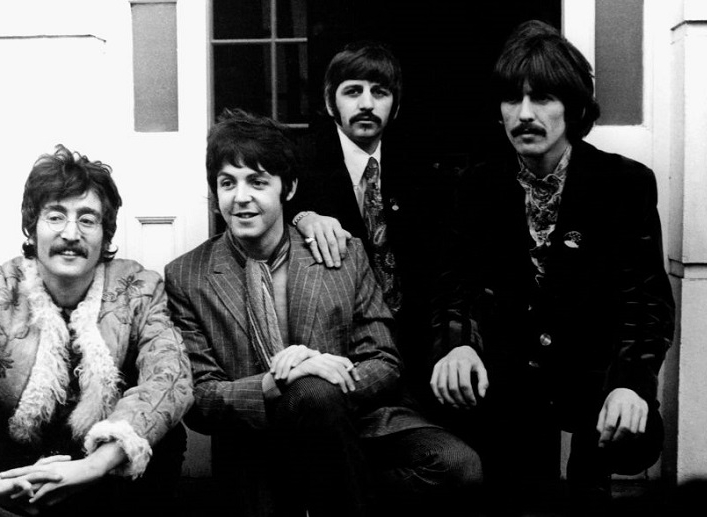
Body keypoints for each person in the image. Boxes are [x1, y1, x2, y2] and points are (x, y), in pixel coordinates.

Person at [165, 109, 482, 517]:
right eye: (228, 183)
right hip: (260, 442)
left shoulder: (341, 253)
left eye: (258, 182)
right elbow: (201, 398)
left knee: (458, 467)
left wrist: (324, 381)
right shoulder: (187, 276)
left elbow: (384, 361)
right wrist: (278, 382)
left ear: (289, 188)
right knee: (308, 393)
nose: (241, 197)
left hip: (358, 424)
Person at [429, 20, 675, 514]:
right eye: (512, 99)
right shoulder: (476, 186)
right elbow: (456, 285)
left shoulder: (622, 183)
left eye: (542, 97)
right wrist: (457, 344)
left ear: (574, 106)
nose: (524, 114)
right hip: (510, 380)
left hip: (591, 376)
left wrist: (631, 383)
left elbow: (646, 301)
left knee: (618, 452)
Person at [0, 144, 194, 517]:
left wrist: (92, 466)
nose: (71, 233)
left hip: (97, 470)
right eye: (56, 216)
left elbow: (171, 375)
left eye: (87, 220)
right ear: (32, 228)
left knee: (167, 434)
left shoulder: (138, 287)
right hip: (8, 468)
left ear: (105, 235)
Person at [287, 40, 459, 387]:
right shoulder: (301, 163)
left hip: (416, 348)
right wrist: (302, 217)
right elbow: (269, 208)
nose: (366, 103)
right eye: (353, 91)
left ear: (395, 106)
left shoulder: (419, 168)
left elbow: (443, 268)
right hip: (338, 356)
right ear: (330, 102)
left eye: (379, 92)